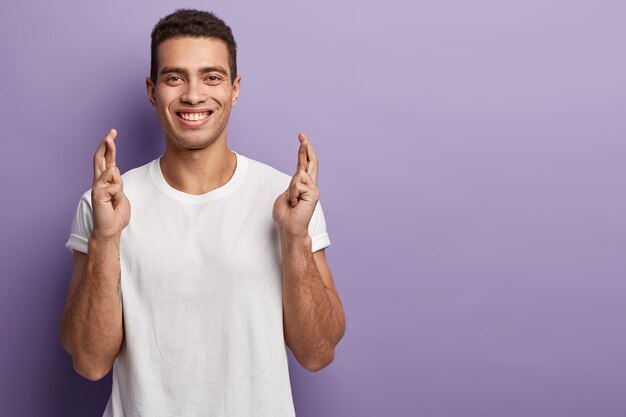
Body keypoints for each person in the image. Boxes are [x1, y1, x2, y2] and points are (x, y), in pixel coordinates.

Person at [59, 9, 345, 417]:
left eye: (212, 77)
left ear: (235, 88)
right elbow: (89, 362)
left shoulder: (287, 199)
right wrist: (106, 237)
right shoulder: (107, 204)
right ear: (152, 90)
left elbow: (317, 353)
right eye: (175, 77)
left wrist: (295, 237)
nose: (194, 95)